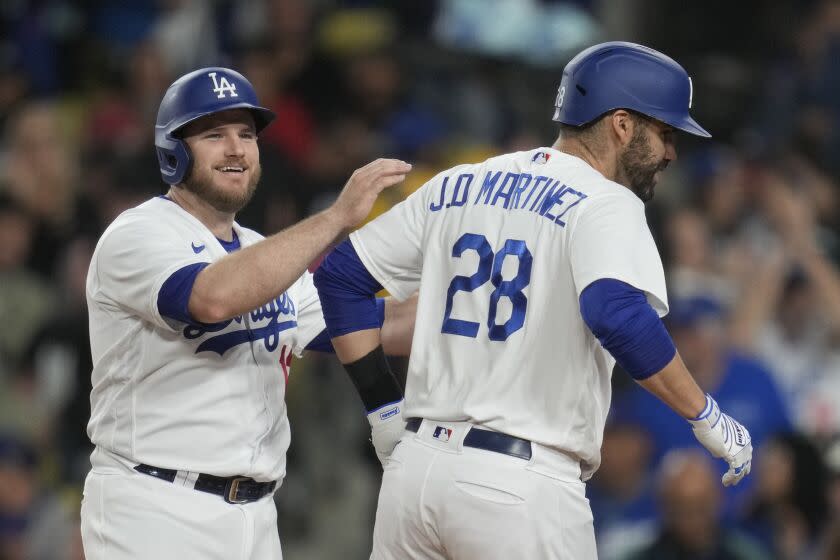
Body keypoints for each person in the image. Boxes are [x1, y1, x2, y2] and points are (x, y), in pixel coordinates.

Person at [313, 41, 754, 559]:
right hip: (519, 486)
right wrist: (704, 414)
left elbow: (341, 277)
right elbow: (616, 313)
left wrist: (383, 410)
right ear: (621, 124)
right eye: (665, 132)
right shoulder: (606, 201)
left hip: (416, 477)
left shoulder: (461, 181)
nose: (672, 152)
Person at [79, 67, 414, 560]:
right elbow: (213, 298)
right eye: (214, 134)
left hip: (255, 515)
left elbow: (376, 324)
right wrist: (336, 218)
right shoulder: (137, 234)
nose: (236, 148)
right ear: (174, 151)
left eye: (246, 134)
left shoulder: (264, 255)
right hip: (153, 506)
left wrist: (479, 299)